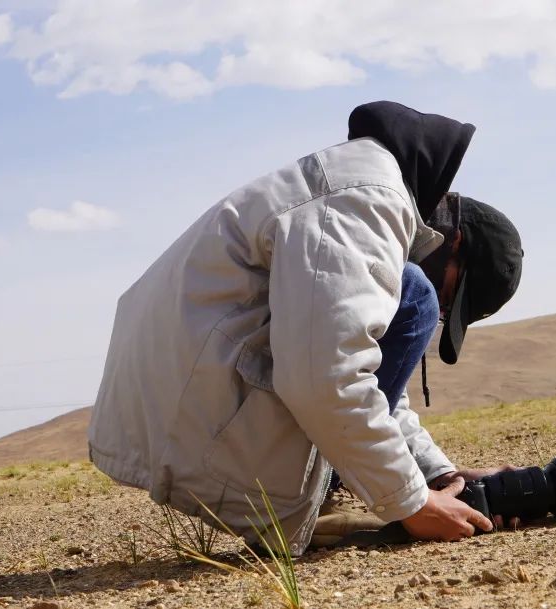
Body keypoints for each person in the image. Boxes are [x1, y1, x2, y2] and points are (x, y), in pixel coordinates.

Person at [88, 101, 524, 555]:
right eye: (452, 299)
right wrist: (414, 505)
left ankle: (329, 491)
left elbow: (359, 369)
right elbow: (327, 376)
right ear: (451, 243)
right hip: (194, 416)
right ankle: (326, 503)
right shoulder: (365, 204)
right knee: (414, 294)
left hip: (178, 409)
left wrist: (439, 475)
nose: (441, 312)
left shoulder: (356, 187)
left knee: (405, 300)